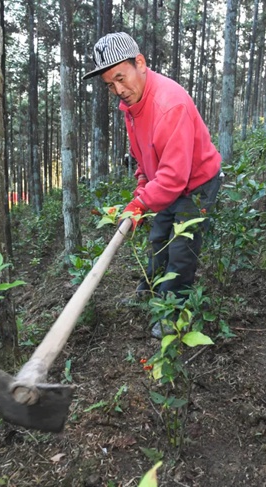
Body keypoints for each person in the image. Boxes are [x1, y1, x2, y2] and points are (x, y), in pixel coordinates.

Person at [83, 32, 223, 338]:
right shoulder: (132, 103)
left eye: (121, 78)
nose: (118, 90)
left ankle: (172, 313)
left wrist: (140, 203)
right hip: (166, 182)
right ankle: (149, 290)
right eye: (110, 85)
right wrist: (143, 182)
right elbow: (143, 155)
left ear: (141, 63)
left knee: (182, 250)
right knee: (160, 236)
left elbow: (175, 177)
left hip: (196, 183)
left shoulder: (168, 105)